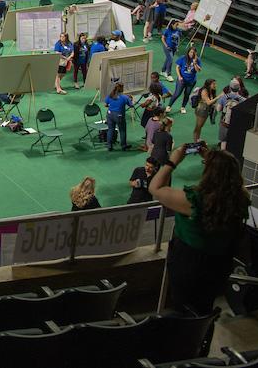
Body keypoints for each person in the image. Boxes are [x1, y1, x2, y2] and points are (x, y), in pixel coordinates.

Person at [151, 145, 249, 314]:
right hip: (220, 264)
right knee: (204, 307)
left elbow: (155, 188)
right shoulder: (240, 199)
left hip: (190, 264)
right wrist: (215, 159)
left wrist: (172, 161)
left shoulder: (195, 201)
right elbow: (229, 175)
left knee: (184, 309)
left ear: (209, 173)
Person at [170, 46, 202, 112]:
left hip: (191, 81)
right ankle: (169, 106)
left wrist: (195, 63)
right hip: (182, 80)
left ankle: (183, 107)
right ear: (188, 52)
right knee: (177, 93)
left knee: (187, 94)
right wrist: (179, 76)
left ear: (195, 53)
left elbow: (198, 70)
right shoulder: (183, 58)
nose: (192, 54)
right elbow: (177, 67)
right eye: (191, 52)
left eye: (193, 53)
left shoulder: (197, 60)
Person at [105, 82, 135, 151]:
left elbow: (106, 105)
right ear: (122, 88)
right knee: (122, 130)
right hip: (119, 116)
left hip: (110, 115)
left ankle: (109, 146)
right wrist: (131, 99)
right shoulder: (125, 97)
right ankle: (123, 145)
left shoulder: (110, 95)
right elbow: (131, 105)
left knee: (110, 129)